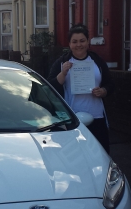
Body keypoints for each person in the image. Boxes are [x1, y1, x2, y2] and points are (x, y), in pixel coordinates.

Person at [48, 24, 114, 153]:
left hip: (97, 116)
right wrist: (63, 73)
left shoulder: (97, 61)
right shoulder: (62, 62)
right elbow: (50, 87)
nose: (79, 45)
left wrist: (103, 91)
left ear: (88, 42)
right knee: (76, 154)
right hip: (73, 117)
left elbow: (110, 84)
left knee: (100, 153)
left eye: (82, 41)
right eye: (75, 41)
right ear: (69, 44)